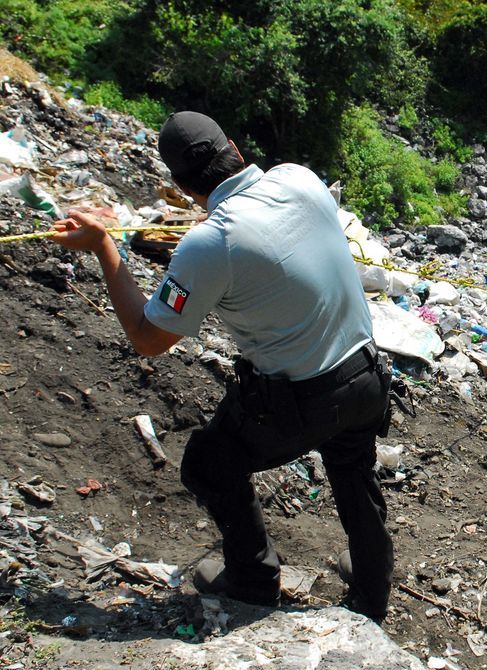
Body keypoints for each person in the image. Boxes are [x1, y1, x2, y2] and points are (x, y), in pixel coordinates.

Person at [48, 112, 394, 621]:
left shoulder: (210, 243)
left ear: (180, 186)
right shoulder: (299, 177)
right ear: (233, 145)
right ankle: (373, 583)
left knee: (209, 463)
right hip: (367, 376)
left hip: (304, 400)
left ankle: (254, 582)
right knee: (351, 467)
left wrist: (104, 246)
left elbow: (149, 338)